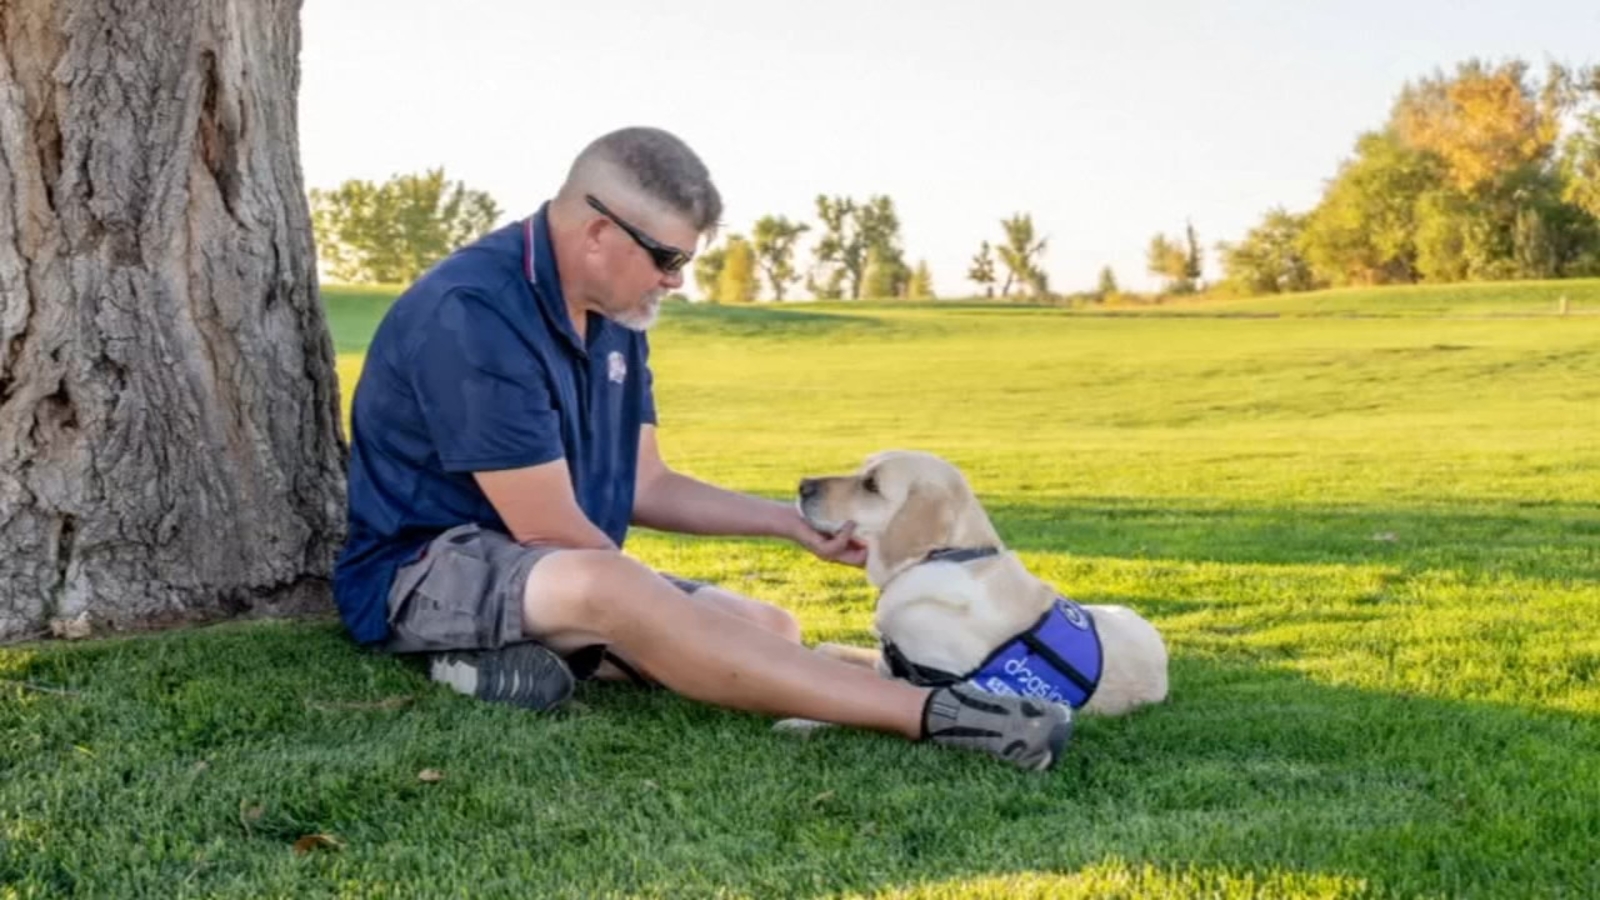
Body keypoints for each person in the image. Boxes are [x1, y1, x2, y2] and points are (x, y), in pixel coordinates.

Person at [330, 126, 1071, 771]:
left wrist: (790, 524)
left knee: (768, 628)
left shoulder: (618, 314)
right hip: (425, 573)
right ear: (598, 232)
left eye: (685, 260)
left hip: (554, 572)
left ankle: (501, 662)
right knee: (619, 590)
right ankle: (936, 716)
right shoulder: (473, 313)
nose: (676, 280)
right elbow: (550, 531)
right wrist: (653, 609)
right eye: (664, 257)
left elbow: (646, 484)